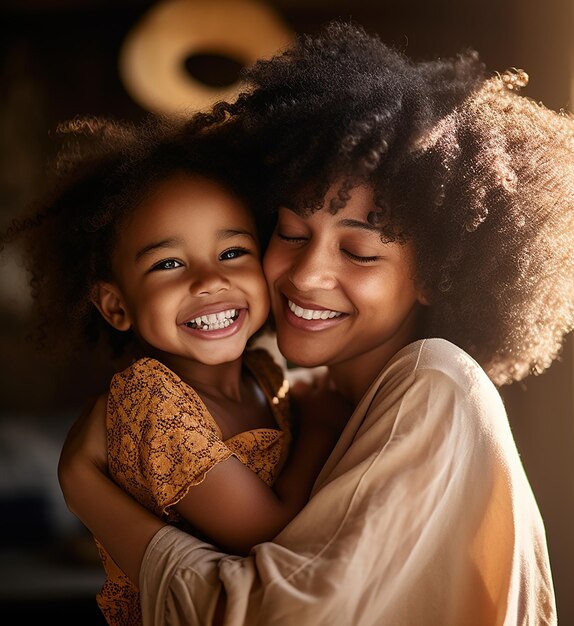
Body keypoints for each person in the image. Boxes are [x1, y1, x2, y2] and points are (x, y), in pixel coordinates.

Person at [57, 22, 574, 625]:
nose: (306, 275)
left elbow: (269, 613)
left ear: (436, 275)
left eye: (360, 252)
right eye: (291, 233)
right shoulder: (307, 395)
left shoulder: (436, 386)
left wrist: (86, 489)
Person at [2, 115, 348, 625]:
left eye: (232, 252)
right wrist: (321, 423)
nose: (209, 280)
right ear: (116, 306)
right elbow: (270, 536)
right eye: (168, 263)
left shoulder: (263, 369)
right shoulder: (152, 402)